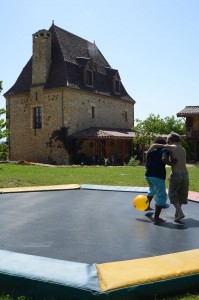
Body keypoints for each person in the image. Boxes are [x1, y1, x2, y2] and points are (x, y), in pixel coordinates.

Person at [147, 132, 189, 222]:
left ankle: (180, 213)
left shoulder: (170, 147)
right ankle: (177, 214)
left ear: (170, 140)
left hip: (176, 175)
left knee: (172, 194)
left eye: (168, 141)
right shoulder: (183, 149)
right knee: (180, 194)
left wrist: (148, 152)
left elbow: (154, 145)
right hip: (185, 175)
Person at [145, 136, 171, 224]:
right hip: (158, 176)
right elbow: (164, 158)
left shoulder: (151, 151)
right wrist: (171, 163)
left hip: (148, 175)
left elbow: (147, 163)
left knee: (151, 190)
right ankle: (156, 218)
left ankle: (146, 206)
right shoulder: (165, 150)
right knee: (161, 196)